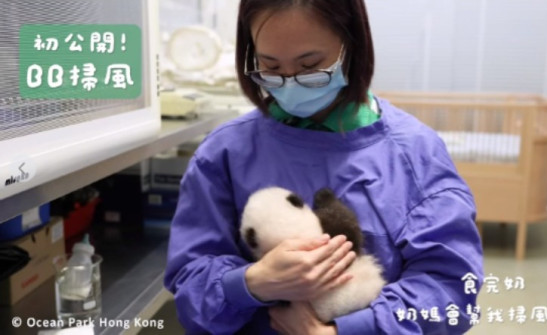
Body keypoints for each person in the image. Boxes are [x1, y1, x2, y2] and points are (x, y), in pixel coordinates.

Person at [164, 0, 484, 334]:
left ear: (352, 47)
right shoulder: (224, 154)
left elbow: (450, 287)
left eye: (310, 65)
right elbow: (191, 288)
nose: (289, 82)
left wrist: (344, 330)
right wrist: (254, 282)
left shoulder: (414, 154)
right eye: (270, 67)